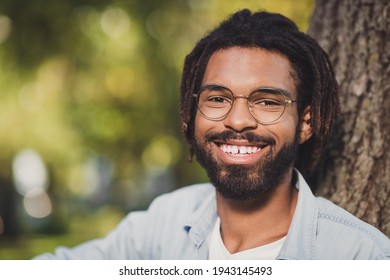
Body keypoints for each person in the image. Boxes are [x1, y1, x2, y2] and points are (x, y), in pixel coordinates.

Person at [35, 9, 390, 260]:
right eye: (218, 98)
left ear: (306, 122)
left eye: (267, 101)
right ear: (192, 112)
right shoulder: (164, 223)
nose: (237, 120)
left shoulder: (359, 257)